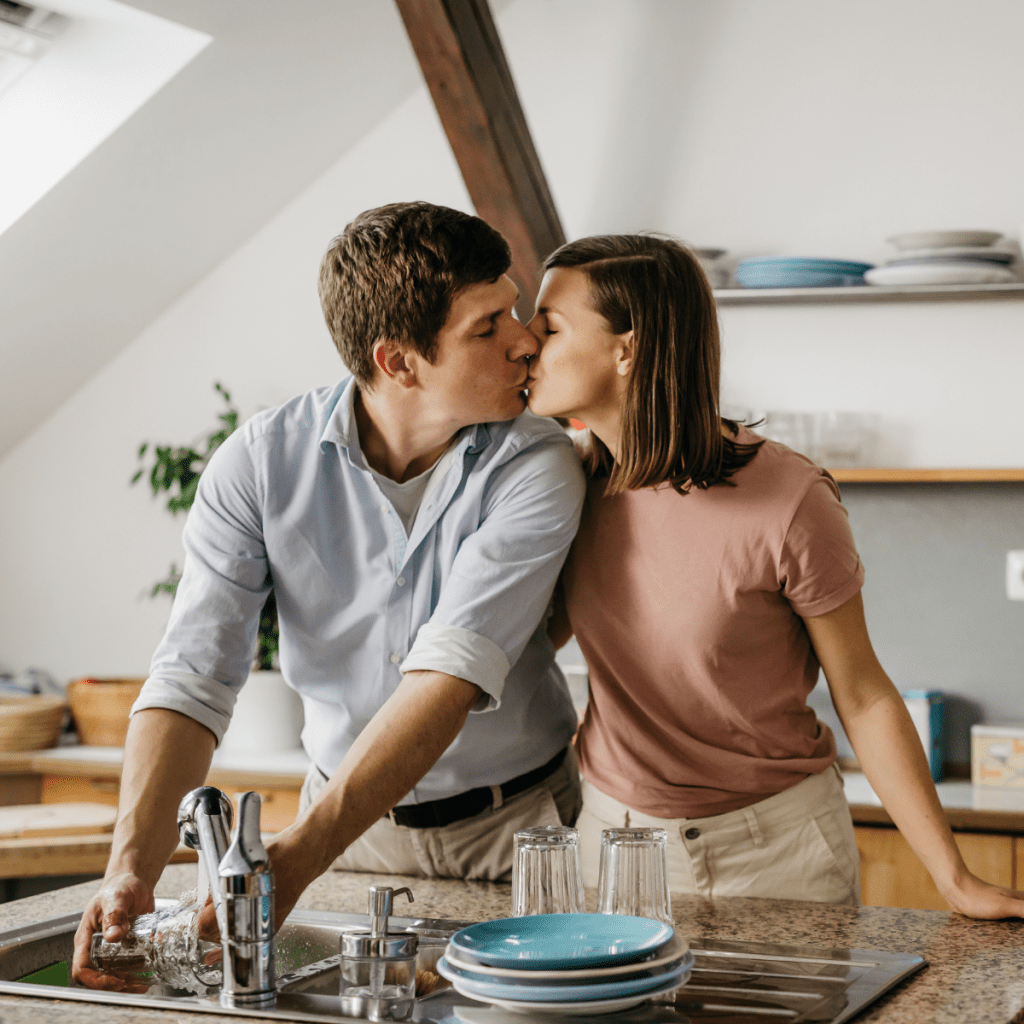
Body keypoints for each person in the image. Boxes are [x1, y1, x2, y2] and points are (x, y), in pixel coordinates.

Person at [72, 202, 586, 989]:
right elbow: (192, 678)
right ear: (398, 361)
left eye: (513, 310)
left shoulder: (539, 463)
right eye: (489, 327)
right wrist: (129, 868)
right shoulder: (258, 465)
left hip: (520, 830)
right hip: (351, 836)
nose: (525, 339)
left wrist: (300, 854)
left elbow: (447, 676)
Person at [524, 232, 1024, 918]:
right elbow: (524, 638)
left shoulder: (790, 498)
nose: (525, 344)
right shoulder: (564, 483)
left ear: (627, 348)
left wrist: (953, 876)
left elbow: (864, 694)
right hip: (613, 843)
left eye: (548, 327)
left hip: (777, 851)